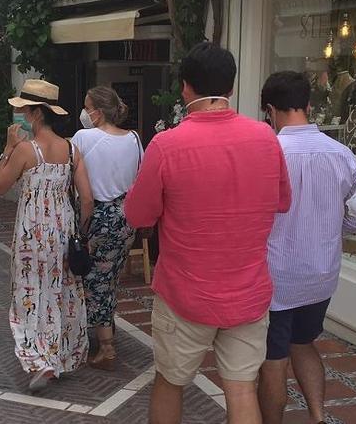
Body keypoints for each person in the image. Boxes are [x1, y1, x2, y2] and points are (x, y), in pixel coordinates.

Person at [125, 43, 291, 424]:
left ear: (186, 88)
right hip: (248, 291)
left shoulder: (167, 145)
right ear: (231, 88)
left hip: (186, 292)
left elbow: (138, 214)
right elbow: (282, 201)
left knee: (169, 381)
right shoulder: (266, 138)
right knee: (242, 387)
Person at [258, 71, 356, 424]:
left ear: (269, 110)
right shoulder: (341, 155)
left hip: (276, 276)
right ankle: (319, 416)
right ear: (308, 105)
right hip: (322, 273)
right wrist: (335, 229)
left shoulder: (268, 154)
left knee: (273, 359)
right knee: (304, 344)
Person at [0, 79, 92, 390]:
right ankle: (59, 355)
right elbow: (87, 199)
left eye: (23, 110)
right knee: (59, 292)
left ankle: (39, 361)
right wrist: (81, 235)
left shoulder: (24, 150)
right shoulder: (72, 149)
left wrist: (7, 149)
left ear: (35, 114)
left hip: (30, 236)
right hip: (63, 232)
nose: (20, 115)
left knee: (30, 294)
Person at [71, 86, 142, 370]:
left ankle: (107, 346)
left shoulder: (83, 137)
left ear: (97, 112)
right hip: (126, 216)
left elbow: (79, 188)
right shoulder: (134, 139)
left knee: (94, 282)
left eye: (87, 107)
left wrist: (82, 228)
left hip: (97, 214)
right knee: (109, 277)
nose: (84, 113)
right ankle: (106, 330)